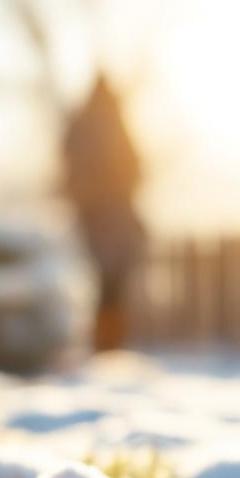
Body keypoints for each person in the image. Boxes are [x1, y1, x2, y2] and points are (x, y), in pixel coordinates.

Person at [61, 74, 146, 351]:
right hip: (108, 218)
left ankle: (106, 343)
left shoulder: (83, 123)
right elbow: (136, 167)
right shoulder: (115, 124)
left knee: (102, 282)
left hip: (97, 218)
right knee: (108, 284)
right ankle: (107, 343)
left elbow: (69, 165)